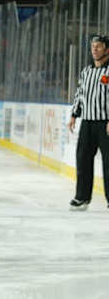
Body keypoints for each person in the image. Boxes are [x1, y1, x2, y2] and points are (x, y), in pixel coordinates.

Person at [68, 35, 109, 211]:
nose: (94, 49)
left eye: (98, 47)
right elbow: (80, 94)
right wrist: (73, 115)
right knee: (83, 159)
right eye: (93, 46)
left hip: (105, 123)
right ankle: (82, 197)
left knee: (108, 162)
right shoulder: (86, 71)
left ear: (107, 49)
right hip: (87, 123)